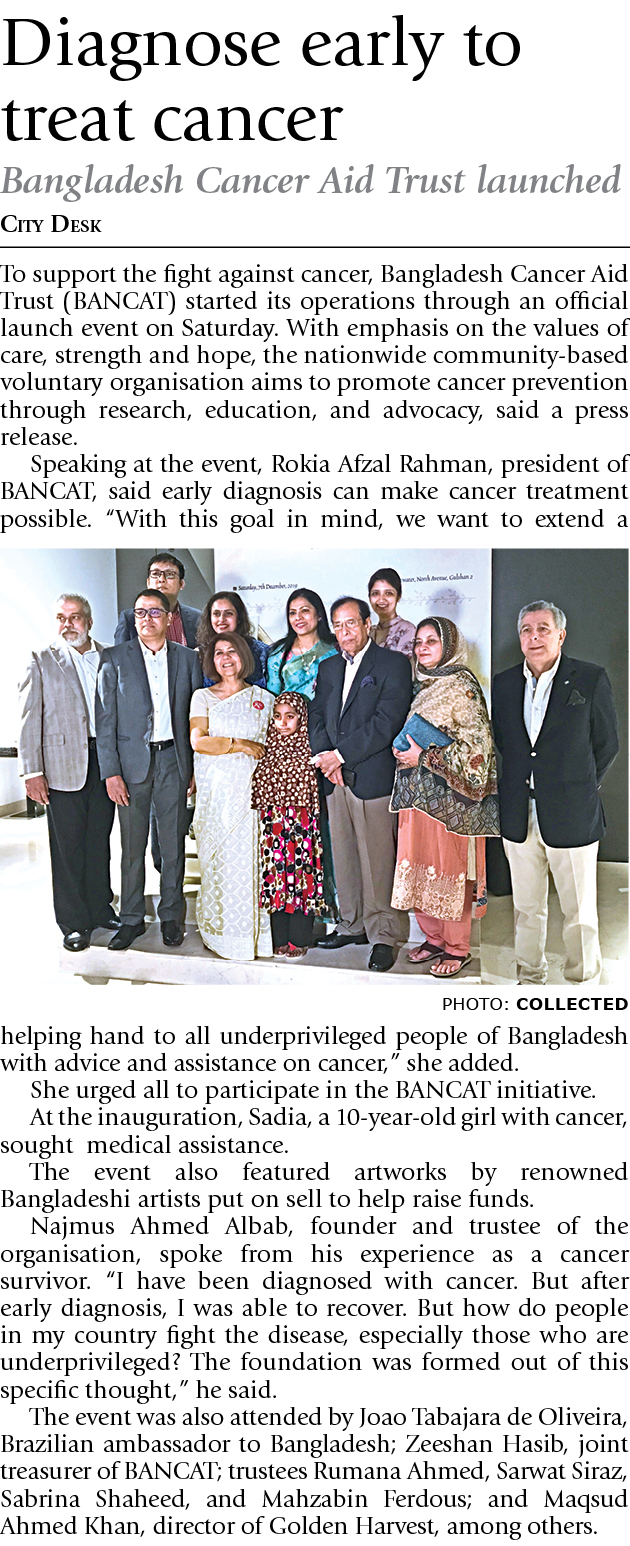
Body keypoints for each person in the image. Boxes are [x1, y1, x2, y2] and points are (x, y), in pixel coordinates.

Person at [492, 600, 619, 985]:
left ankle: (583, 981)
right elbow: (505, 742)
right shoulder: (504, 683)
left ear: (560, 635)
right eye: (527, 630)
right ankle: (530, 977)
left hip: (572, 812)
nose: (534, 637)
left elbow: (607, 744)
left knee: (579, 912)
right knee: (526, 908)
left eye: (543, 629)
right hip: (519, 813)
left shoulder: (590, 678)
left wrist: (578, 785)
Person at [390, 617, 499, 978]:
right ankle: (433, 938)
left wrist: (425, 756)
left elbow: (478, 749)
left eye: (431, 641)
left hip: (450, 799)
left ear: (449, 645)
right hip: (417, 797)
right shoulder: (422, 685)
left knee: (449, 869)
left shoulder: (462, 686)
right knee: (420, 866)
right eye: (418, 642)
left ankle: (456, 947)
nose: (422, 648)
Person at [309, 596, 412, 972]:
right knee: (345, 855)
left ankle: (384, 934)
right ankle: (351, 925)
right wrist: (326, 757)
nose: (344, 631)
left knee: (377, 861)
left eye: (351, 622)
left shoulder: (393, 664)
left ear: (368, 624)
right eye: (338, 625)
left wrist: (340, 755)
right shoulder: (329, 666)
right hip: (334, 779)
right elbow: (316, 715)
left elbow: (387, 721)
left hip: (371, 777)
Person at [96, 590, 202, 951]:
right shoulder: (114, 658)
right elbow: (104, 721)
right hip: (130, 767)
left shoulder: (188, 659)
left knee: (172, 845)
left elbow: (194, 716)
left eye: (155, 612)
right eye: (140, 612)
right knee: (131, 847)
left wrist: (192, 767)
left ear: (169, 618)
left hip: (174, 760)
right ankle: (131, 919)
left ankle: (171, 916)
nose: (147, 619)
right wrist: (111, 772)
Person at [18, 593, 117, 953]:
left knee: (99, 842)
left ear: (89, 621)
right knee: (68, 849)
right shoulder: (41, 658)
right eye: (61, 618)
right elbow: (29, 717)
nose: (67, 624)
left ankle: (101, 908)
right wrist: (31, 771)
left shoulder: (109, 656)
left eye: (75, 617)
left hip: (104, 763)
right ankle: (74, 922)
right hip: (61, 766)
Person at [190, 635, 274, 961]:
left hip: (253, 796)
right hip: (217, 796)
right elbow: (199, 741)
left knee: (252, 862)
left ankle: (255, 938)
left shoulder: (263, 699)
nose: (226, 658)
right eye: (219, 653)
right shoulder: (203, 697)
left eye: (232, 652)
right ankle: (222, 934)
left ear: (244, 657)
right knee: (220, 864)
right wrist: (239, 744)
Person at [252, 692, 327, 958]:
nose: (282, 723)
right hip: (274, 828)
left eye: (290, 716)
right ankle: (279, 936)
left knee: (300, 877)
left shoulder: (309, 749)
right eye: (277, 716)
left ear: (301, 718)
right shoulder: (268, 749)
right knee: (276, 877)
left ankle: (299, 938)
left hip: (301, 828)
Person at [114, 554, 201, 647]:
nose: (161, 579)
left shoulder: (197, 618)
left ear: (181, 584)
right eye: (155, 574)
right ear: (148, 582)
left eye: (169, 574)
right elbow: (119, 654)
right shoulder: (129, 618)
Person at [266, 589, 338, 698]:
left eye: (304, 611)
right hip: (290, 709)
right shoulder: (278, 654)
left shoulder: (337, 649)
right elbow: (272, 699)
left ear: (319, 614)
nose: (298, 617)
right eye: (292, 613)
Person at [197, 591, 269, 689]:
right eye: (216, 614)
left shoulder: (261, 651)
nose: (221, 619)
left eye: (228, 614)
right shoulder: (199, 654)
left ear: (239, 618)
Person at [368, 567, 416, 658]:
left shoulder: (407, 629)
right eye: (375, 593)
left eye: (388, 593)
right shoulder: (369, 632)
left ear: (398, 597)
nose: (381, 599)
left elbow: (401, 664)